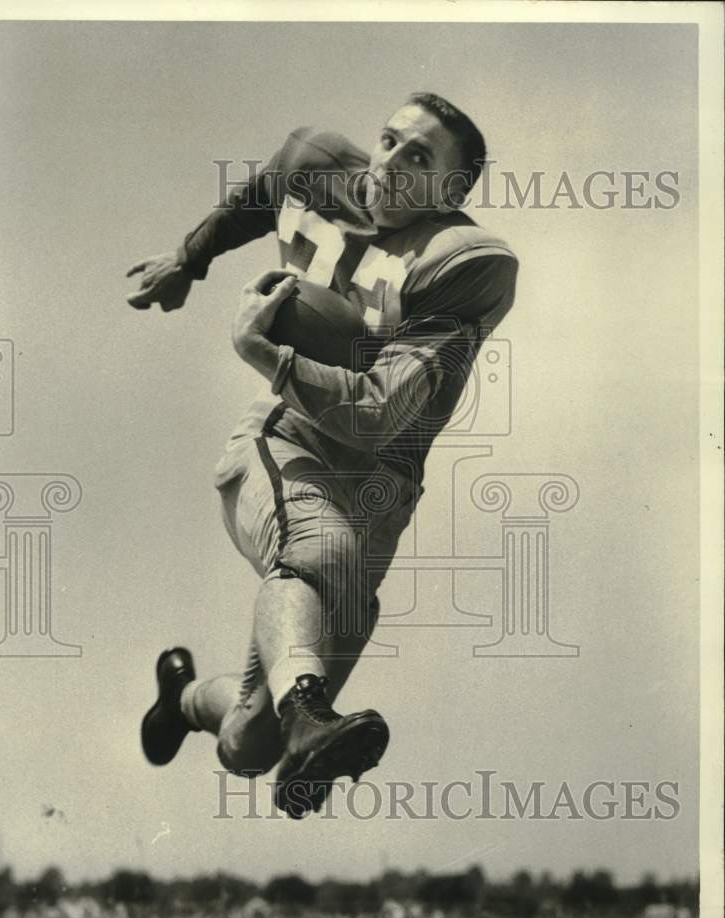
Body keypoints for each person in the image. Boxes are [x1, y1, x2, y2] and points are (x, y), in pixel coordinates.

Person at [129, 93, 518, 818]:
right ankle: (310, 715)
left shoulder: (460, 267)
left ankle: (181, 700)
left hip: (378, 486)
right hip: (286, 440)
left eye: (418, 158)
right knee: (320, 548)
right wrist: (190, 258)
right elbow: (269, 186)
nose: (391, 163)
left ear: (453, 190)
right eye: (390, 141)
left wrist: (261, 350)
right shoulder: (323, 166)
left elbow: (373, 417)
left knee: (249, 740)